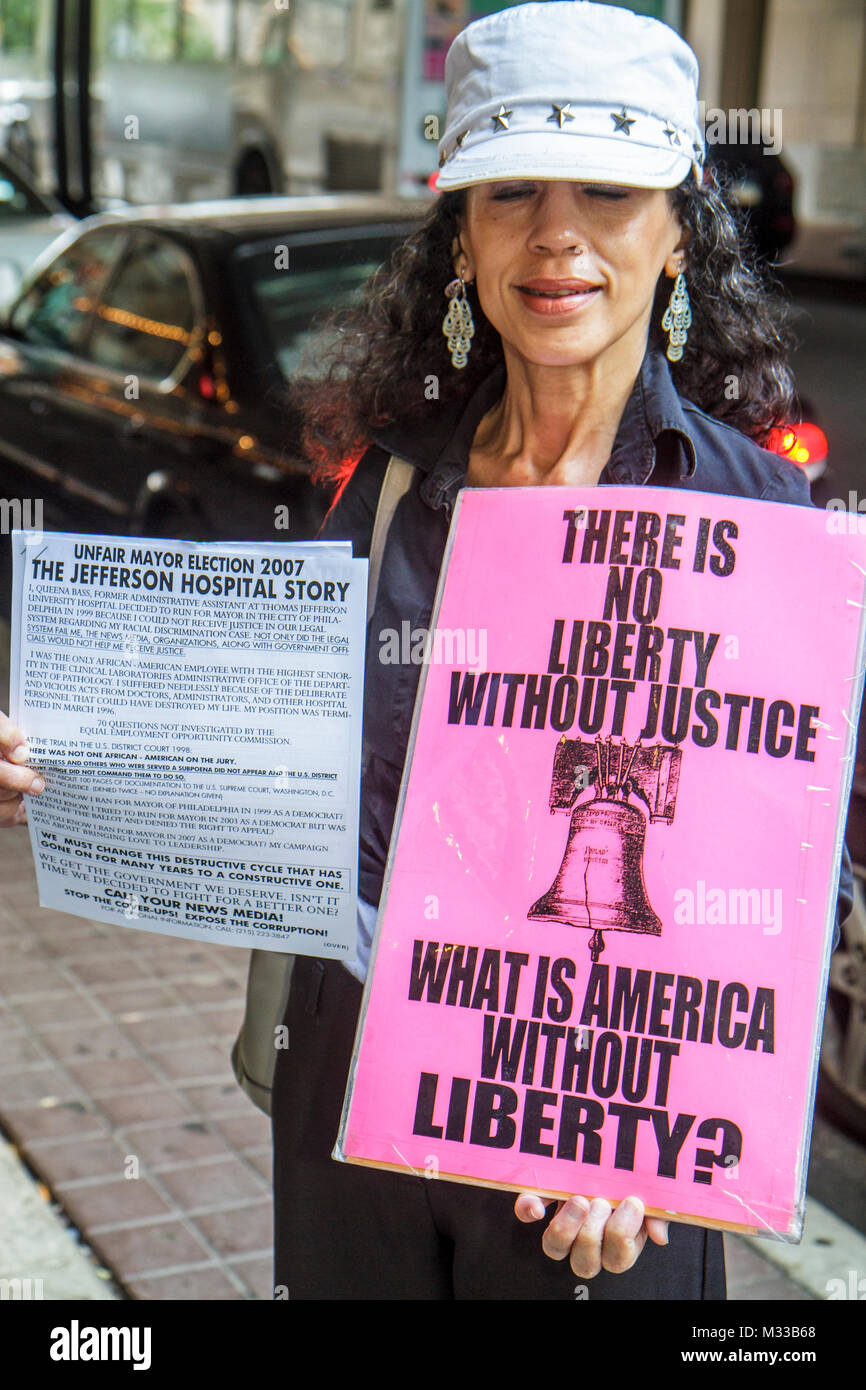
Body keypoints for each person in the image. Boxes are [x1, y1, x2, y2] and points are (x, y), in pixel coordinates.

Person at [0, 1, 854, 1301]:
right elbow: (284, 738)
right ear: (461, 232)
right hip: (356, 1069)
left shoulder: (748, 515)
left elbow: (787, 863)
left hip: (598, 1140)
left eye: (608, 193)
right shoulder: (395, 479)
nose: (555, 234)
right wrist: (69, 762)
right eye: (510, 189)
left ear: (678, 229)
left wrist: (655, 1140)